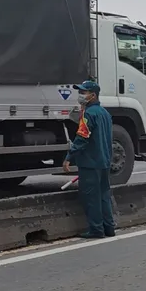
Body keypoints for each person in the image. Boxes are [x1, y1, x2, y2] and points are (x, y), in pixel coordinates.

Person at [63, 80, 115, 239]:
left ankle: (96, 230)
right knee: (103, 196)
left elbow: (81, 138)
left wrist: (69, 157)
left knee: (91, 198)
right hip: (104, 162)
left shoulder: (89, 114)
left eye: (83, 92)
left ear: (93, 95)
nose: (81, 95)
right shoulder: (105, 113)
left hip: (90, 163)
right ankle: (109, 228)